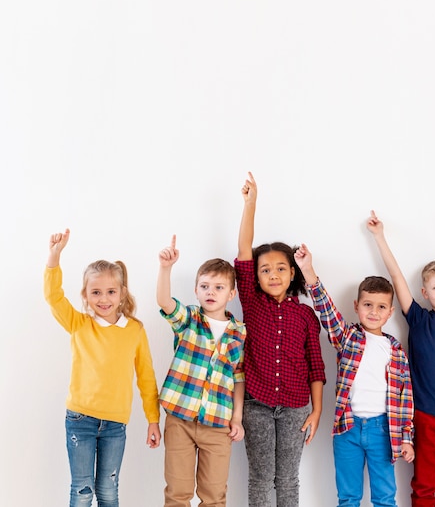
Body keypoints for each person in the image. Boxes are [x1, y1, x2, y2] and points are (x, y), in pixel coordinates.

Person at [367, 211, 435, 507]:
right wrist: (380, 237)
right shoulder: (418, 319)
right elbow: (396, 277)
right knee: (424, 485)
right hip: (424, 416)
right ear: (425, 293)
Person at [44, 229, 161, 507]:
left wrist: (152, 418)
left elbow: (146, 376)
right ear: (85, 295)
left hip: (115, 425)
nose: (104, 299)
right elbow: (53, 296)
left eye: (110, 291)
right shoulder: (79, 324)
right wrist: (54, 257)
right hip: (79, 420)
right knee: (82, 490)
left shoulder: (134, 330)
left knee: (108, 491)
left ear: (122, 294)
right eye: (96, 292)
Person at [295, 242, 414, 507]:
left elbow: (405, 400)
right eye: (368, 305)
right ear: (356, 306)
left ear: (390, 312)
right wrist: (308, 270)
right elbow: (326, 310)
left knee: (385, 497)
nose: (374, 312)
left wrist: (406, 438)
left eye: (381, 307)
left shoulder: (395, 349)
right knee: (348, 497)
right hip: (347, 428)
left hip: (383, 429)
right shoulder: (348, 337)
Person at [236, 172, 326, 507]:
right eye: (265, 270)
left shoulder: (305, 315)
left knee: (288, 480)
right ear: (256, 277)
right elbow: (245, 249)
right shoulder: (251, 302)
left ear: (293, 272)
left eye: (280, 268)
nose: (273, 274)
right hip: (256, 405)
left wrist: (316, 411)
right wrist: (251, 203)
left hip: (295, 408)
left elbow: (316, 367)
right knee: (260, 480)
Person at [157, 235, 246, 507]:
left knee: (214, 496)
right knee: (178, 492)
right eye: (205, 286)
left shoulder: (239, 333)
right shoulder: (189, 320)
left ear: (231, 294)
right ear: (196, 290)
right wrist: (165, 268)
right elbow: (164, 302)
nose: (211, 292)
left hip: (219, 424)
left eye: (219, 287)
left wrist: (237, 418)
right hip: (180, 419)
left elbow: (238, 377)